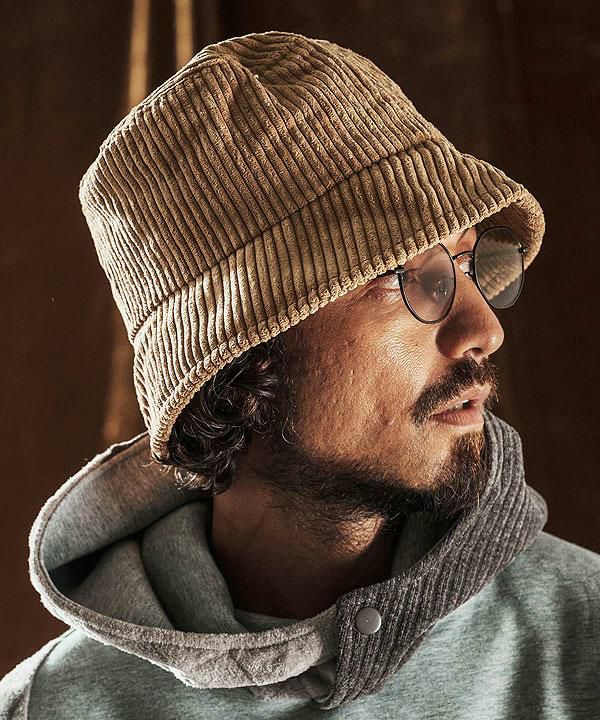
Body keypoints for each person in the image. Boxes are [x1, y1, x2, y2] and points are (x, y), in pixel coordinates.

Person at [2, 30, 599, 719]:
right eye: (402, 274)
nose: (484, 329)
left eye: (466, 264)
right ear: (238, 357)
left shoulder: (582, 642)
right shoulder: (48, 707)